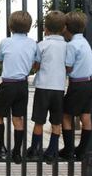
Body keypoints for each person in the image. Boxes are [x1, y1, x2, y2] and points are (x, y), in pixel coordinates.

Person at [0, 11, 38, 164]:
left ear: (10, 26)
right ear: (29, 27)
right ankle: (17, 152)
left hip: (8, 84)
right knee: (18, 118)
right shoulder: (33, 43)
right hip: (22, 85)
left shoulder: (5, 42)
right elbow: (36, 62)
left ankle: (1, 148)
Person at [26, 10, 67, 164]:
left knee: (39, 121)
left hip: (43, 87)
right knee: (56, 122)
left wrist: (37, 65)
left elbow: (36, 66)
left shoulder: (42, 45)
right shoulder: (67, 46)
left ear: (45, 28)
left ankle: (35, 149)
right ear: (64, 28)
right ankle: (52, 152)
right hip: (59, 89)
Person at [58, 11, 92, 161]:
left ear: (66, 27)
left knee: (65, 115)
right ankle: (81, 150)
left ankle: (68, 149)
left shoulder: (72, 45)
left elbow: (68, 67)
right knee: (85, 117)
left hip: (77, 86)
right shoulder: (85, 42)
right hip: (89, 84)